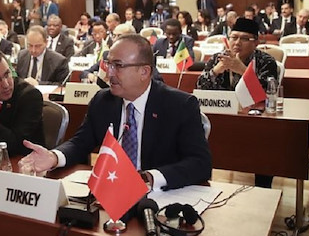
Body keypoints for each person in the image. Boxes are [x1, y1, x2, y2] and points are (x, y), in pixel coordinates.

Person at [21, 34, 212, 191]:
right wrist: (54, 157)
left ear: (144, 72)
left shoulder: (180, 105)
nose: (109, 73)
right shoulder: (103, 101)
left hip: (159, 196)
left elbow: (200, 164)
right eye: (108, 64)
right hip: (110, 191)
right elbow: (81, 143)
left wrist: (149, 177)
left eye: (118, 66)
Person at [196, 18, 277, 188]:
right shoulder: (218, 58)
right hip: (224, 116)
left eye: (244, 38)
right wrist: (217, 70)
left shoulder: (266, 61)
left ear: (255, 42)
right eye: (234, 37)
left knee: (268, 141)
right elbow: (200, 87)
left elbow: (265, 94)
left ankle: (263, 189)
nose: (237, 42)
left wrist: (240, 68)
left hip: (255, 120)